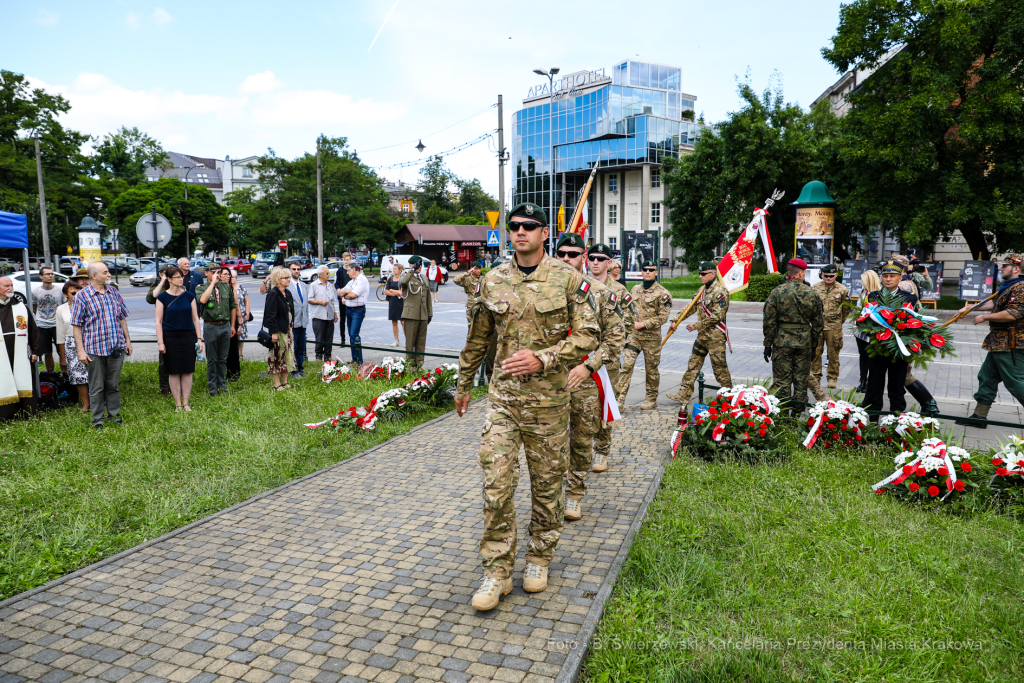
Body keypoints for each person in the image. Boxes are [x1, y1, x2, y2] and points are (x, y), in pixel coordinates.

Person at [452, 202, 599, 611]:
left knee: (548, 486)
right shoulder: (493, 280)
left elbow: (589, 336)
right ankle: (497, 571)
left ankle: (539, 557)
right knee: (496, 481)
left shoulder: (569, 280)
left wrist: (545, 357)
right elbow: (479, 338)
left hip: (550, 402)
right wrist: (464, 384)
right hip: (503, 400)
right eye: (515, 226)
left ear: (544, 232)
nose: (520, 232)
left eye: (529, 227)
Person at [555, 233, 624, 522]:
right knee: (551, 443)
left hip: (583, 379)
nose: (567, 259)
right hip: (548, 381)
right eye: (562, 254)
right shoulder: (544, 289)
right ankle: (552, 493)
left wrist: (589, 366)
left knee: (581, 441)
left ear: (583, 257)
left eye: (574, 254)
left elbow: (616, 338)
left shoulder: (601, 293)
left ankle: (574, 496)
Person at [956, 254, 1024, 427]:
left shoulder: (1021, 287)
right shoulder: (1010, 286)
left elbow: (1013, 313)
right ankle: (979, 416)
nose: (1001, 269)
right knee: (987, 377)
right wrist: (969, 308)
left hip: (1012, 343)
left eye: (1005, 266)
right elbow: (995, 304)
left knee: (1015, 383)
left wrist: (984, 317)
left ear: (1016, 269)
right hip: (1000, 342)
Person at [588, 243, 633, 474]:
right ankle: (579, 451)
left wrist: (610, 342)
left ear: (609, 263)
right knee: (578, 407)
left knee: (604, 404)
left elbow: (629, 322)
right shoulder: (579, 286)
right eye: (592, 257)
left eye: (600, 258)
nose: (595, 262)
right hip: (580, 359)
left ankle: (601, 451)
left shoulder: (619, 291)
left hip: (608, 361)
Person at [70, 262, 132, 428]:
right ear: (94, 276)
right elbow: (76, 326)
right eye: (105, 272)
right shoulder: (82, 297)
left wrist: (127, 341)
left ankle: (115, 418)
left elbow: (122, 318)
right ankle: (97, 420)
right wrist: (81, 351)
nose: (109, 275)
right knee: (97, 387)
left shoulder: (113, 293)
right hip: (94, 350)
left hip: (115, 347)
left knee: (113, 385)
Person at [666, 261, 733, 410]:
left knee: (720, 369)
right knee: (693, 365)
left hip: (715, 338)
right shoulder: (702, 290)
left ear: (712, 274)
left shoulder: (721, 291)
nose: (700, 276)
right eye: (699, 274)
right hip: (703, 337)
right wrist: (676, 320)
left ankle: (729, 397)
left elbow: (718, 316)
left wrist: (697, 325)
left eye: (703, 274)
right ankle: (684, 393)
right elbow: (690, 307)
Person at [763, 258, 824, 413]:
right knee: (801, 381)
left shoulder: (777, 292)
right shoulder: (812, 293)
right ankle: (797, 416)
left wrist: (767, 344)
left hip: (781, 342)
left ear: (789, 273)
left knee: (782, 382)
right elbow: (818, 324)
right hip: (804, 343)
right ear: (802, 273)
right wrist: (814, 344)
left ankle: (783, 415)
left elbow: (769, 321)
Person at [860, 259, 918, 418]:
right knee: (873, 388)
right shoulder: (873, 296)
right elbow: (865, 320)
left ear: (900, 278)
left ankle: (896, 426)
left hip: (898, 350)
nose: (888, 279)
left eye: (892, 276)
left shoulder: (910, 298)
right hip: (877, 348)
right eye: (885, 276)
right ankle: (871, 424)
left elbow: (915, 322)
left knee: (897, 390)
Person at [618, 260, 672, 410]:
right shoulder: (634, 289)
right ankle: (620, 400)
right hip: (634, 336)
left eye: (651, 269)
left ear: (656, 272)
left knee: (651, 370)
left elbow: (663, 317)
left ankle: (651, 398)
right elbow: (627, 308)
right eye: (645, 269)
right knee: (626, 366)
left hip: (652, 339)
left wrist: (643, 324)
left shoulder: (663, 293)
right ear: (641, 271)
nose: (647, 272)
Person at [155, 266, 203, 412]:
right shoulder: (162, 297)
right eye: (177, 277)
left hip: (188, 336)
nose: (181, 279)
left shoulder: (189, 296)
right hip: (170, 337)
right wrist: (161, 342)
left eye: (181, 276)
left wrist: (199, 339)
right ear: (169, 279)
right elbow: (158, 321)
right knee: (173, 370)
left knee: (188, 370)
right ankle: (178, 404)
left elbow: (195, 318)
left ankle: (186, 402)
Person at [0, 275, 43, 421]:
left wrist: (36, 350)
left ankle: (27, 413)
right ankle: (6, 415)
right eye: (6, 286)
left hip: (19, 350)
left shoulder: (21, 307)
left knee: (23, 379)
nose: (10, 288)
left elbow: (33, 329)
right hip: (1, 351)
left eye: (11, 285)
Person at [808, 263, 850, 401]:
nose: (829, 278)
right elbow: (811, 307)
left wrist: (839, 322)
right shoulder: (815, 288)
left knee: (833, 353)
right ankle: (815, 376)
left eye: (831, 276)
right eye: (826, 276)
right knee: (815, 352)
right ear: (822, 275)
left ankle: (832, 377)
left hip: (834, 327)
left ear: (836, 275)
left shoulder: (842, 290)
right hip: (818, 327)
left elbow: (846, 309)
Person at [196, 266, 238, 396]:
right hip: (211, 326)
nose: (217, 275)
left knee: (222, 358)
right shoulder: (201, 288)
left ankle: (222, 386)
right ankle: (212, 388)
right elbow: (202, 300)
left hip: (225, 325)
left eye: (218, 272)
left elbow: (233, 306)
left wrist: (232, 326)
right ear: (207, 273)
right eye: (213, 272)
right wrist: (213, 283)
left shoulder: (225, 287)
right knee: (212, 359)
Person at [56, 280, 89, 413]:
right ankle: (86, 404)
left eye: (79, 292)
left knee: (94, 374)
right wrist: (62, 356)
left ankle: (98, 400)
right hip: (70, 344)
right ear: (66, 295)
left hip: (88, 341)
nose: (77, 295)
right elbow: (60, 335)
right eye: (73, 293)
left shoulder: (87, 305)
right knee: (78, 376)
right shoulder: (61, 309)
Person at [264, 267, 296, 391]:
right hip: (277, 330)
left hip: (287, 329)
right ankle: (277, 384)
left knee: (286, 356)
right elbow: (270, 315)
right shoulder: (273, 293)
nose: (289, 280)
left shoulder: (287, 293)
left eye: (289, 277)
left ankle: (285, 382)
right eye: (286, 278)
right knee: (276, 356)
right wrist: (274, 333)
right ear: (278, 280)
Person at [400, 256, 432, 373]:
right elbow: (403, 283)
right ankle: (410, 365)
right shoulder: (406, 275)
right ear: (411, 265)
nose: (420, 268)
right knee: (410, 341)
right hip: (411, 314)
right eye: (417, 265)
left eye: (420, 265)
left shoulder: (424, 278)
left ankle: (419, 364)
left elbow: (428, 296)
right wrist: (412, 270)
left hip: (423, 314)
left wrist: (430, 313)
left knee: (421, 340)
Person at [32, 266, 65, 373]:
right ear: (41, 276)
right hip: (42, 326)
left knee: (62, 352)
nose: (50, 276)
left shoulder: (59, 290)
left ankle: (64, 375)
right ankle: (51, 375)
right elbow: (35, 308)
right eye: (47, 274)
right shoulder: (36, 292)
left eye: (52, 274)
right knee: (47, 352)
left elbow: (63, 307)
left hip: (57, 325)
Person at [853, 270, 881, 394]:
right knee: (862, 356)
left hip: (872, 331)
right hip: (860, 330)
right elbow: (857, 310)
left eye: (863, 280)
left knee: (871, 358)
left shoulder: (879, 294)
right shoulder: (863, 292)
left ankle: (871, 383)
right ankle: (862, 381)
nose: (862, 283)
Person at [337, 262, 369, 365]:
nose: (347, 272)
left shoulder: (362, 280)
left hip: (358, 310)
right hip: (349, 309)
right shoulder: (352, 281)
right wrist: (347, 292)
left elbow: (353, 295)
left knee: (354, 335)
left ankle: (359, 361)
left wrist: (346, 294)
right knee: (351, 335)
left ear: (354, 269)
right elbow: (340, 293)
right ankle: (354, 359)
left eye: (349, 270)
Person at [308, 264, 339, 361]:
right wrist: (320, 302)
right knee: (320, 337)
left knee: (329, 337)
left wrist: (334, 313)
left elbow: (332, 301)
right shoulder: (314, 285)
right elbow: (310, 300)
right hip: (319, 315)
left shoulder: (329, 285)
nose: (328, 275)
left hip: (329, 315)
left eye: (328, 273)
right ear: (320, 274)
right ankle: (318, 356)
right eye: (327, 273)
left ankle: (328, 355)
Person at [286, 261, 309, 378]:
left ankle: (300, 368)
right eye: (294, 269)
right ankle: (293, 370)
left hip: (303, 321)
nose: (296, 271)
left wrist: (306, 318)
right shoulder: (287, 285)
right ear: (290, 270)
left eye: (298, 269)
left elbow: (305, 304)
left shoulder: (304, 285)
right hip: (292, 322)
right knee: (292, 347)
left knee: (301, 347)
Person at [227, 269, 250, 381]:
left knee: (238, 339)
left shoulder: (239, 288)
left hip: (237, 317)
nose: (231, 278)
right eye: (229, 276)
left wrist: (245, 315)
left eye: (233, 276)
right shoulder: (227, 288)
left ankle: (239, 357)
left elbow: (243, 303)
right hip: (228, 319)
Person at [335, 252, 354, 346]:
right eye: (344, 259)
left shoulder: (353, 270)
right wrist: (341, 295)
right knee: (343, 319)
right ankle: (343, 339)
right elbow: (337, 284)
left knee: (351, 318)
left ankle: (352, 339)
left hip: (351, 297)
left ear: (350, 259)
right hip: (342, 298)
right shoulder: (339, 271)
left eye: (347, 259)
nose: (346, 261)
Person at [384, 263, 404, 348]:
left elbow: (402, 293)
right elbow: (386, 291)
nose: (394, 270)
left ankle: (408, 340)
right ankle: (396, 340)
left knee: (403, 322)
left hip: (401, 302)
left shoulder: (403, 279)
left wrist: (392, 291)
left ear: (400, 270)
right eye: (393, 268)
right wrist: (396, 293)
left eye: (395, 269)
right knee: (394, 322)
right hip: (393, 302)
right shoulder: (390, 279)